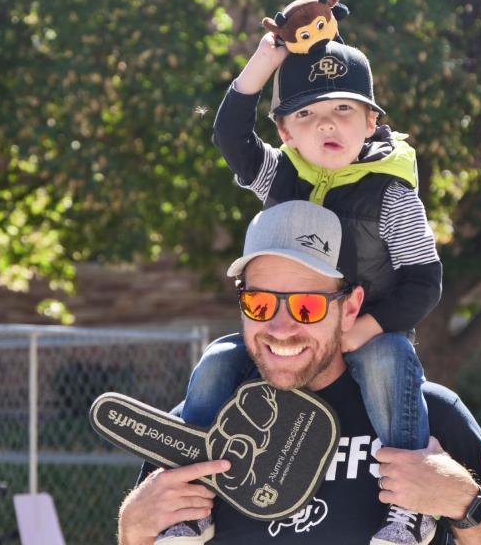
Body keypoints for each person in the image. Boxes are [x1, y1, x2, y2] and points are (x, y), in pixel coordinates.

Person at [117, 201, 481, 545]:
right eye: (260, 304)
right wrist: (133, 530)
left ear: (351, 308)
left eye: (307, 306)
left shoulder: (426, 416)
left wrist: (466, 503)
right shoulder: (198, 424)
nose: (281, 328)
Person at [164, 31, 442, 545]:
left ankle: (409, 510)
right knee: (215, 362)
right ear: (285, 131)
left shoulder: (392, 194)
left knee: (390, 362)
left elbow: (425, 281)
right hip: (292, 326)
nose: (327, 123)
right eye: (307, 115)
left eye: (343, 108)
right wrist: (266, 58)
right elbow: (229, 136)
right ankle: (191, 498)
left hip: (368, 328)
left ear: (372, 122)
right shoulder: (279, 176)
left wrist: (368, 328)